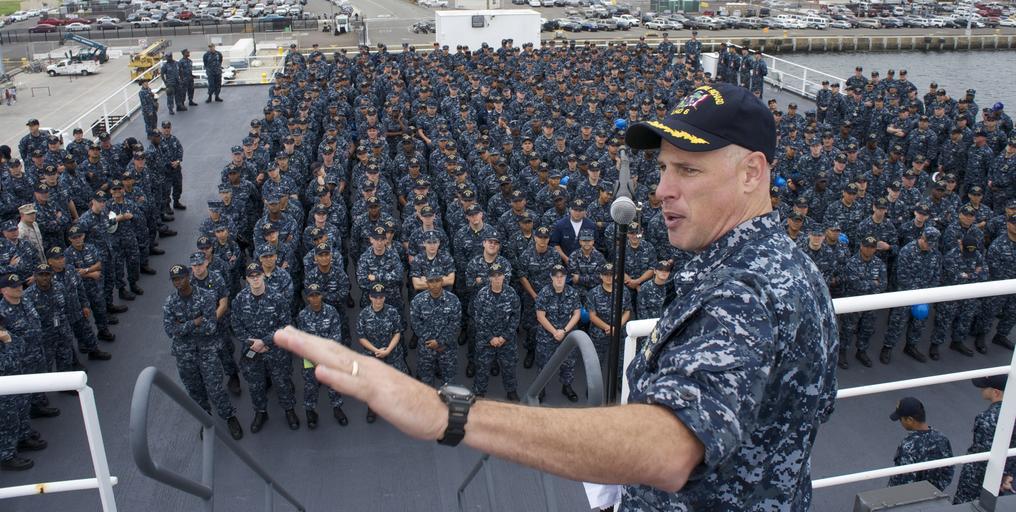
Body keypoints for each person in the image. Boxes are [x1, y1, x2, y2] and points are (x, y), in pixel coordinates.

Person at [275, 83, 838, 510]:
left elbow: (670, 448)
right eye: (663, 168)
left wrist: (443, 413)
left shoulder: (748, 288)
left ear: (751, 173)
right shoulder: (773, 266)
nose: (661, 190)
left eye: (687, 170)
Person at [163, 264, 243, 440]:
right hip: (184, 356)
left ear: (188, 276)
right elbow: (170, 331)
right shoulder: (170, 303)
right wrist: (194, 322)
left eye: (181, 278)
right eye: (175, 280)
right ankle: (205, 419)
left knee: (215, 388)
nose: (178, 282)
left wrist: (183, 326)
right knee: (195, 391)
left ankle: (229, 416)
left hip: (207, 352)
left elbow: (210, 327)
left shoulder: (206, 297)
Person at [232, 263, 298, 433]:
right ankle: (261, 412)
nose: (255, 279)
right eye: (251, 276)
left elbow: (286, 324)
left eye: (258, 275)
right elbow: (236, 326)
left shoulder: (277, 297)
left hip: (276, 350)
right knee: (255, 385)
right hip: (253, 351)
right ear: (247, 279)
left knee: (282, 381)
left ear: (263, 276)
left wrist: (265, 341)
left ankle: (289, 409)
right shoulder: (239, 300)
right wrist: (252, 343)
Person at [953, 376, 1016, 504]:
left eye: (985, 387)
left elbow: (984, 454)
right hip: (1008, 474)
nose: (981, 389)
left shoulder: (987, 418)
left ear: (996, 392)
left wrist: (1001, 478)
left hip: (979, 480)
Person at [297, 284, 347, 429]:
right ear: (308, 298)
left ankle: (337, 408)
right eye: (312, 296)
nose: (315, 298)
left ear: (322, 295)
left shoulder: (332, 312)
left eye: (317, 295)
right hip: (310, 357)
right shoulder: (302, 315)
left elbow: (336, 337)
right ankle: (310, 411)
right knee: (310, 385)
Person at [471, 263, 520, 401]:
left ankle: (511, 390)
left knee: (509, 367)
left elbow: (515, 317)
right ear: (489, 278)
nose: (497, 278)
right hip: (486, 340)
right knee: (482, 367)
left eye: (499, 275)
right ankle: (479, 392)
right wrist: (490, 338)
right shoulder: (482, 295)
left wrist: (504, 337)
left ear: (504, 276)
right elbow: (478, 319)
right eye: (494, 276)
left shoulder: (511, 293)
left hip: (507, 340)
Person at [887, 397, 954, 492]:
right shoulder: (942, 438)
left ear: (909, 420)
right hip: (935, 494)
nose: (900, 422)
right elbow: (948, 470)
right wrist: (936, 489)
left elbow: (901, 482)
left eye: (901, 419)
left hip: (914, 497)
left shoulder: (908, 446)